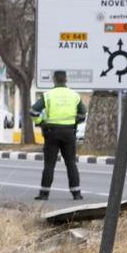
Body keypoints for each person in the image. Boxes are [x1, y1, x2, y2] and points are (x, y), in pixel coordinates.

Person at [30, 70, 87, 201]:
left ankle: (44, 194)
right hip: (69, 133)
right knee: (71, 163)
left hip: (51, 133)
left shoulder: (48, 95)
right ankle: (76, 193)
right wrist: (75, 122)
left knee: (49, 164)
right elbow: (83, 114)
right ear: (66, 79)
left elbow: (33, 112)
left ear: (54, 79)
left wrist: (41, 123)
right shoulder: (74, 95)